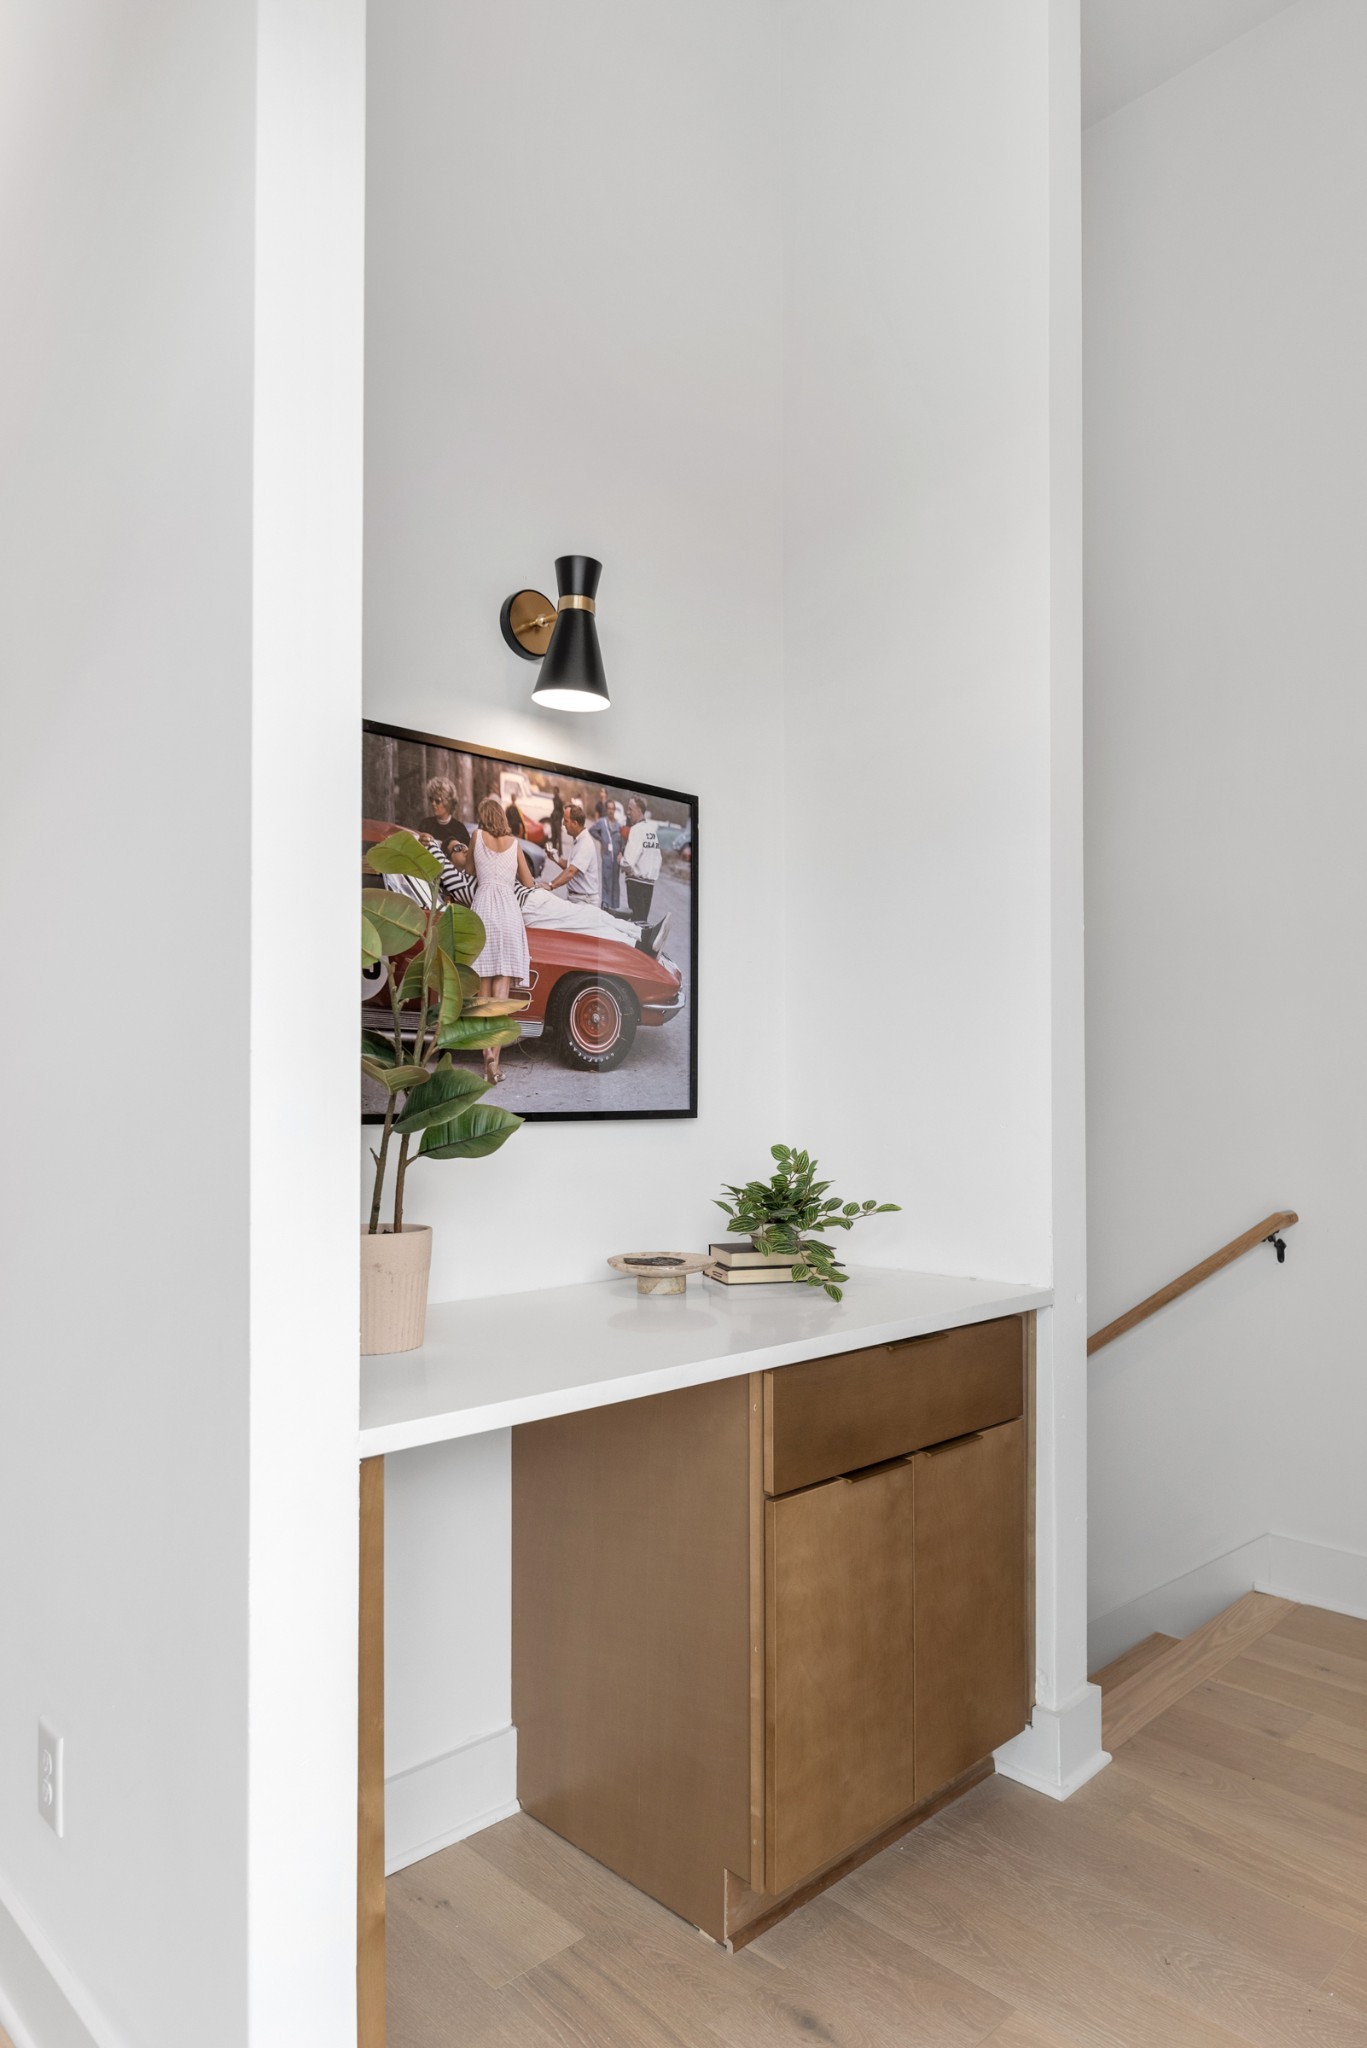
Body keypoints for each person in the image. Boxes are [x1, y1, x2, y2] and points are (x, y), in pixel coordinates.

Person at [469, 797, 534, 1084]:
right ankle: (494, 1063)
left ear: (483, 817)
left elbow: (469, 870)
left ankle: (488, 1058)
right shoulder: (516, 844)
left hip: (483, 911)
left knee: (483, 997)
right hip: (508, 913)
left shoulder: (476, 837)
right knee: (500, 998)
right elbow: (529, 883)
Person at [544, 801, 601, 905]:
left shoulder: (585, 844)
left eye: (566, 821)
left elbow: (571, 872)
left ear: (575, 824)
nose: (563, 824)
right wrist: (555, 858)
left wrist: (550, 885)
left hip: (584, 902)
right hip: (578, 899)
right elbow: (572, 866)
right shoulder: (578, 839)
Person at [621, 795, 662, 923]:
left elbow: (627, 862)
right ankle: (643, 942)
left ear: (639, 810)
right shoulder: (651, 830)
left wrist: (619, 860)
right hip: (649, 884)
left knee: (636, 924)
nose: (627, 813)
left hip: (636, 883)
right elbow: (658, 858)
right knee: (642, 921)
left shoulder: (636, 830)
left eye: (630, 809)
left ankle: (639, 943)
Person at [418, 775, 470, 856]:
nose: (433, 803)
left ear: (448, 802)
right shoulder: (425, 824)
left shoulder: (460, 830)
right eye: (431, 799)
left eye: (437, 801)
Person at [589, 799, 620, 911]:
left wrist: (621, 852)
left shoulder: (618, 825)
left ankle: (615, 908)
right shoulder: (602, 822)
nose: (611, 811)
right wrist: (601, 839)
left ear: (615, 810)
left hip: (616, 859)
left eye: (613, 808)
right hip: (606, 857)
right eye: (609, 808)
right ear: (606, 810)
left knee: (615, 884)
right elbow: (592, 830)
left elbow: (621, 841)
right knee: (606, 881)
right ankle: (605, 906)